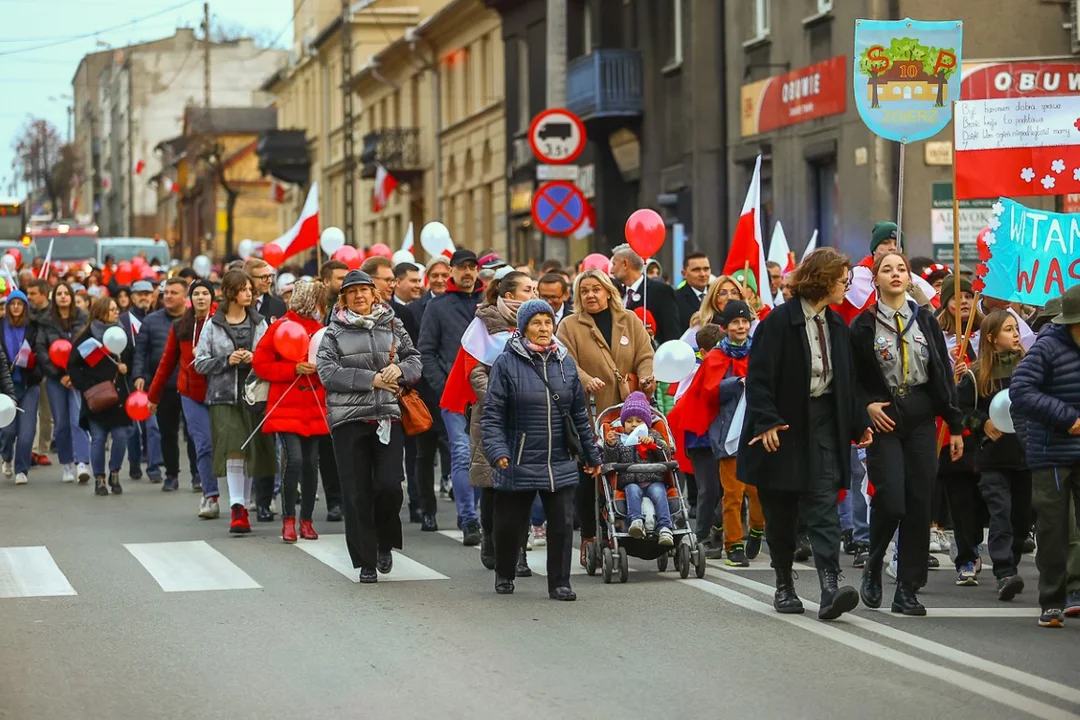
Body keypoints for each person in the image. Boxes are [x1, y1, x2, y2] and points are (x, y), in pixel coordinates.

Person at [739, 247, 873, 622]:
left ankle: (831, 586)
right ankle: (784, 583)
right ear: (824, 280)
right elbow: (760, 376)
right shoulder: (779, 323)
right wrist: (765, 420)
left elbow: (847, 382)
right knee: (781, 511)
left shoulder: (836, 325)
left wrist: (858, 423)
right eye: (842, 280)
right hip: (783, 426)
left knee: (823, 505)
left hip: (823, 423)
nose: (847, 286)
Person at [850, 252, 963, 617]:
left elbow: (941, 374)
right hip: (885, 418)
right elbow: (852, 378)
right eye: (887, 270)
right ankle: (875, 560)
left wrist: (956, 424)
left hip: (920, 417)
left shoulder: (925, 319)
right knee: (892, 498)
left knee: (918, 503)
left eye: (901, 269)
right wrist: (866, 406)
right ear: (876, 279)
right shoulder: (863, 325)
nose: (895, 274)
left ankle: (907, 588)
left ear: (909, 278)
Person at [482, 299, 602, 599]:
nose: (544, 328)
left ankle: (560, 583)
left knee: (561, 526)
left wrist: (591, 454)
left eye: (548, 322)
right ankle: (504, 571)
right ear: (523, 329)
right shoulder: (506, 363)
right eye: (536, 323)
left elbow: (579, 416)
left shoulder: (566, 363)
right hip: (518, 457)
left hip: (559, 458)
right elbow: (493, 413)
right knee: (509, 525)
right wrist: (498, 451)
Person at [317, 270, 422, 582]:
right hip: (348, 420)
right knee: (356, 492)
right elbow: (327, 372)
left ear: (375, 294)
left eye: (365, 290)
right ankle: (365, 560)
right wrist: (370, 380)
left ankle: (384, 543)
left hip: (387, 417)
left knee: (389, 486)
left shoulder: (391, 323)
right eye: (352, 292)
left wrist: (398, 370)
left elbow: (415, 360)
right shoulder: (333, 332)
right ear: (344, 298)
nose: (359, 296)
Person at [556, 268, 654, 564]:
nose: (590, 295)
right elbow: (565, 360)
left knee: (628, 470)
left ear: (608, 291)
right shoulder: (570, 325)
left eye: (595, 289)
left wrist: (648, 378)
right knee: (590, 474)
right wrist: (584, 379)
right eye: (584, 291)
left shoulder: (630, 320)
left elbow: (645, 355)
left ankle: (628, 525)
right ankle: (589, 535)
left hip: (627, 415)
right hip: (589, 412)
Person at [441, 271, 535, 569]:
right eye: (527, 289)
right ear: (509, 296)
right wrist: (500, 398)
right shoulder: (483, 324)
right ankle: (490, 540)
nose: (533, 294)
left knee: (522, 486)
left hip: (528, 416)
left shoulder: (536, 323)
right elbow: (474, 370)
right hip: (491, 414)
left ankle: (518, 551)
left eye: (534, 289)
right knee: (492, 483)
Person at [1009, 284, 1080, 627]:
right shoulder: (1047, 348)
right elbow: (1020, 391)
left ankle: (1076, 591)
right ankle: (1051, 599)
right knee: (1052, 529)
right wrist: (1067, 418)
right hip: (1052, 452)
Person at [672, 301, 763, 565]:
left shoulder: (759, 351)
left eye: (744, 322)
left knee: (757, 491)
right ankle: (733, 545)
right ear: (726, 327)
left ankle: (757, 528)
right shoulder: (715, 357)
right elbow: (709, 392)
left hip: (756, 430)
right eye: (735, 322)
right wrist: (738, 383)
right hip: (727, 433)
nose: (741, 326)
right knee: (732, 493)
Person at [194, 270, 275, 534]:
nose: (249, 294)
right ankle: (237, 507)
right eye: (243, 289)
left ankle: (244, 504)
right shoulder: (213, 324)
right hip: (223, 395)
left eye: (250, 289)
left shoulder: (259, 322)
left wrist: (254, 358)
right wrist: (226, 360)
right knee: (233, 448)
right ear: (231, 292)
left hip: (254, 394)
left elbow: (270, 357)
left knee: (249, 448)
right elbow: (200, 363)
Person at [957, 310, 1028, 601]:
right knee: (1001, 514)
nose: (1015, 334)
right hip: (991, 458)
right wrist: (982, 423)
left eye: (1016, 329)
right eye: (1008, 330)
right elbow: (961, 412)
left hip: (1025, 457)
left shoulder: (1029, 369)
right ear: (991, 338)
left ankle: (1011, 561)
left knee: (1022, 520)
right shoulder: (976, 375)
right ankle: (1005, 572)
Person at [253, 281, 331, 544]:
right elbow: (261, 364)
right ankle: (288, 520)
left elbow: (331, 367)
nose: (322, 309)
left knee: (311, 464)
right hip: (285, 405)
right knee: (294, 460)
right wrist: (292, 370)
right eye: (319, 303)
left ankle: (306, 520)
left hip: (315, 405)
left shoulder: (322, 331)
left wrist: (316, 372)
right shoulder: (280, 327)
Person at [422, 249, 485, 544]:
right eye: (462, 268)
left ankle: (482, 513)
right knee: (461, 454)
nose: (468, 272)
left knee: (483, 456)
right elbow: (427, 351)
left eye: (472, 267)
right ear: (452, 272)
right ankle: (469, 519)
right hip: (455, 394)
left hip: (487, 393)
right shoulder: (437, 306)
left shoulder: (489, 302)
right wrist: (443, 385)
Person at [149, 279, 219, 519]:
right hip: (191, 393)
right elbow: (167, 362)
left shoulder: (222, 321)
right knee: (203, 443)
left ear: (212, 297)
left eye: (205, 294)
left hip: (220, 392)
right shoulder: (181, 326)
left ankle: (242, 499)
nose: (201, 298)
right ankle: (210, 495)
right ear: (191, 299)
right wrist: (153, 395)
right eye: (196, 294)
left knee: (228, 447)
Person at [66, 296, 134, 497]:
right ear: (101, 312)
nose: (116, 312)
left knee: (121, 436)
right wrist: (86, 387)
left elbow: (131, 356)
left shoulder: (121, 332)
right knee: (98, 438)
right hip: (95, 397)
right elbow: (73, 365)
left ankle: (114, 472)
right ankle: (99, 478)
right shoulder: (87, 337)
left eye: (116, 309)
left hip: (118, 395)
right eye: (112, 309)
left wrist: (126, 370)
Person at [133, 277, 188, 491]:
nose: (169, 296)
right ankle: (171, 475)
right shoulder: (151, 321)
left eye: (174, 293)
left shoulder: (193, 320)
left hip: (191, 385)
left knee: (194, 434)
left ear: (185, 297)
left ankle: (197, 476)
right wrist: (139, 375)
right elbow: (141, 352)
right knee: (167, 432)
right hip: (164, 385)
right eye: (166, 293)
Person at [33, 282, 90, 483]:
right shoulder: (46, 322)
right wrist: (60, 375)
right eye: (59, 294)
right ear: (54, 298)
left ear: (72, 297)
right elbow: (41, 351)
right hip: (56, 380)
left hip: (78, 379)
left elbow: (88, 347)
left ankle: (82, 462)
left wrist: (75, 375)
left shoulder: (83, 319)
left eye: (67, 293)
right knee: (62, 424)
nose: (63, 297)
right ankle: (66, 464)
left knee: (78, 420)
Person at [603, 391, 674, 546]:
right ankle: (636, 521)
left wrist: (653, 446)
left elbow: (666, 455)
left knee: (659, 493)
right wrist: (610, 446)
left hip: (653, 479)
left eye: (638, 421)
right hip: (629, 481)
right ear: (623, 423)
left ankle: (665, 527)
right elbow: (610, 462)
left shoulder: (654, 436)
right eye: (629, 421)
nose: (633, 424)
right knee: (632, 491)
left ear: (647, 423)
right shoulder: (620, 440)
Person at [1, 290, 37, 485]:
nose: (15, 307)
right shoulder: (0, 326)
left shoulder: (33, 328)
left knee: (27, 432)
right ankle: (6, 457)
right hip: (5, 387)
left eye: (19, 304)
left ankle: (22, 470)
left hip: (28, 384)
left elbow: (40, 351)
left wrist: (32, 361)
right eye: (12, 303)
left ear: (25, 307)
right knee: (7, 431)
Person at [610, 244, 681, 344]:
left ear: (625, 264)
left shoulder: (660, 291)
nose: (611, 271)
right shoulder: (617, 293)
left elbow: (671, 332)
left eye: (614, 264)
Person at [675, 252, 712, 331]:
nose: (702, 274)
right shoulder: (675, 299)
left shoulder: (718, 294)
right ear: (684, 274)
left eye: (706, 269)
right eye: (696, 270)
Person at [244, 258, 287, 323]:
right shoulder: (237, 306)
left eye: (270, 276)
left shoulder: (279, 306)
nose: (269, 281)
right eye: (264, 277)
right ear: (249, 278)